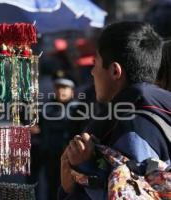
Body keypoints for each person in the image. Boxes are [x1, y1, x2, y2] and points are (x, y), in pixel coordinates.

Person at [59, 21, 171, 200]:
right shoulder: (159, 108)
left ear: (114, 71)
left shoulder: (131, 126)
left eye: (95, 63)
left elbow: (131, 193)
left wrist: (83, 170)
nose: (92, 72)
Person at [30, 70, 81, 200]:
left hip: (72, 159)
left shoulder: (79, 109)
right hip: (51, 157)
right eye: (58, 87)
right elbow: (38, 128)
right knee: (52, 189)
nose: (61, 91)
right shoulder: (47, 108)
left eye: (64, 87)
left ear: (72, 90)